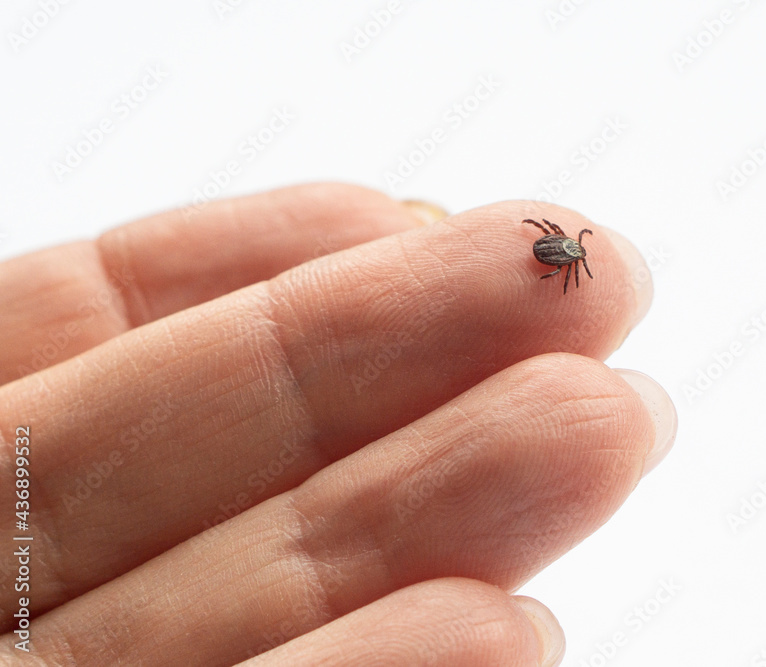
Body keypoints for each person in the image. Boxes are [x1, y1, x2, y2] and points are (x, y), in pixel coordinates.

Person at [0, 183, 677, 666]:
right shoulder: (562, 256)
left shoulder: (554, 252)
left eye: (565, 253)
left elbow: (537, 243)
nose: (561, 252)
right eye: (563, 248)